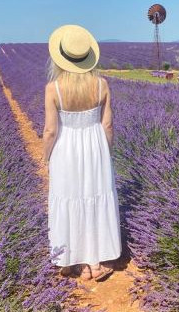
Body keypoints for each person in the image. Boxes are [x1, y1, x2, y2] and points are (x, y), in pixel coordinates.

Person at [42, 24, 121, 281]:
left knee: (69, 198)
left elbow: (50, 131)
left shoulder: (53, 89)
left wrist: (46, 158)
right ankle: (94, 263)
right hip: (95, 145)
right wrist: (105, 152)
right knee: (94, 198)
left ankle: (71, 261)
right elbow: (107, 125)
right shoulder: (101, 85)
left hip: (66, 148)